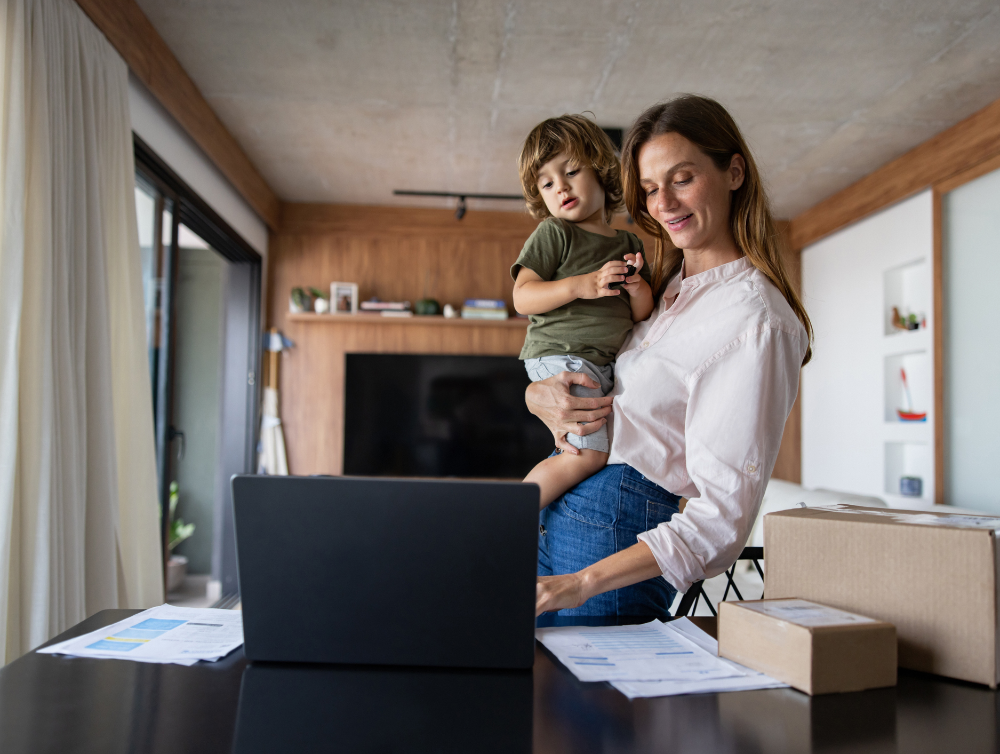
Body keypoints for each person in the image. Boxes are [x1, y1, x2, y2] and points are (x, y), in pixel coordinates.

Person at [528, 95, 813, 619]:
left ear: (733, 172)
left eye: (682, 178)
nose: (664, 204)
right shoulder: (666, 291)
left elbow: (722, 520)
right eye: (651, 188)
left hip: (605, 552)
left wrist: (580, 583)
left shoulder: (755, 320)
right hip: (565, 520)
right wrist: (536, 394)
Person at [511, 115, 654, 510]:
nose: (561, 187)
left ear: (601, 171)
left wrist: (638, 287)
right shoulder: (555, 233)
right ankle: (508, 514)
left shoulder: (629, 241)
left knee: (589, 449)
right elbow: (522, 297)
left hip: (597, 363)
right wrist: (582, 284)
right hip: (562, 354)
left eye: (571, 171)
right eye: (547, 182)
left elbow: (642, 315)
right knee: (588, 455)